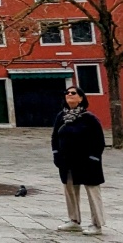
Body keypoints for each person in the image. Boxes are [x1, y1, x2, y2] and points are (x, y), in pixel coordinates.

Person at [52, 86, 106, 236]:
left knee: (92, 192)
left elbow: (99, 141)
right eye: (67, 93)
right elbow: (55, 137)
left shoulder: (89, 118)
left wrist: (94, 158)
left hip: (87, 161)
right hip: (66, 160)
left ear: (81, 98)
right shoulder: (60, 117)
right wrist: (56, 153)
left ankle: (97, 224)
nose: (69, 95)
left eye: (73, 93)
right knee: (70, 190)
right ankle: (74, 221)